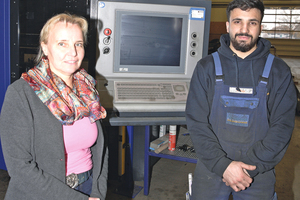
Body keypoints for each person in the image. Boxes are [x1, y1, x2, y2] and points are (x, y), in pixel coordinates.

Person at [185, 0, 297, 199]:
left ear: (260, 27)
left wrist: (247, 170)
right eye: (237, 21)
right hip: (212, 165)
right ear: (228, 25)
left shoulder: (279, 71)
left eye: (252, 23)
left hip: (258, 170)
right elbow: (197, 123)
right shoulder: (206, 67)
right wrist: (223, 166)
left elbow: (282, 127)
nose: (244, 29)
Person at [0, 13, 108, 200]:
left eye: (78, 44)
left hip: (89, 188)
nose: (73, 52)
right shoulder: (21, 94)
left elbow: (101, 149)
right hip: (41, 193)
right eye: (62, 43)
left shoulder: (87, 90)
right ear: (45, 47)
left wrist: (98, 190)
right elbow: (19, 167)